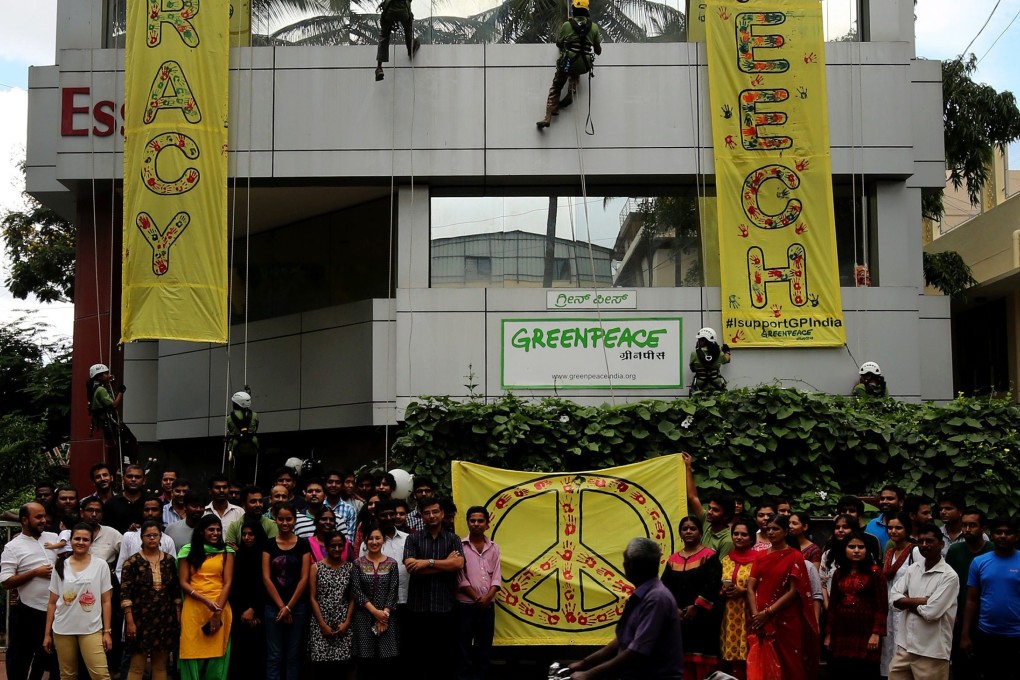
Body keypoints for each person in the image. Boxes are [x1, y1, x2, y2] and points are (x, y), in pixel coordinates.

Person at [568, 537, 683, 679]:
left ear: (631, 566)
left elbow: (637, 651)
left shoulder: (656, 599)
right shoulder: (643, 595)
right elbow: (622, 640)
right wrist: (584, 664)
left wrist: (589, 674)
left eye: (626, 562)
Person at [746, 515, 819, 680]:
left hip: (786, 619)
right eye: (768, 529)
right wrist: (756, 614)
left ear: (786, 532)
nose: (771, 532)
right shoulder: (760, 556)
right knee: (764, 664)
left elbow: (794, 591)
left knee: (790, 663)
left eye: (775, 529)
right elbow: (751, 588)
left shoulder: (795, 556)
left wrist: (768, 612)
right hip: (761, 618)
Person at [887, 523, 959, 680]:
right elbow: (892, 600)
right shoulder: (913, 569)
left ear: (941, 544)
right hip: (905, 647)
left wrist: (905, 601)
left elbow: (931, 613)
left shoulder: (949, 576)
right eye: (921, 541)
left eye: (929, 541)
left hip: (932, 652)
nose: (924, 545)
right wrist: (922, 601)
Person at [43, 522, 114, 680]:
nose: (81, 542)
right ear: (70, 540)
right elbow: (52, 602)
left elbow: (106, 601)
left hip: (91, 628)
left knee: (101, 675)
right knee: (67, 675)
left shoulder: (101, 565)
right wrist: (47, 634)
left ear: (91, 542)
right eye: (77, 539)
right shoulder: (60, 565)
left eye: (85, 539)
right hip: (62, 629)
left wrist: (107, 632)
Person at [1, 502, 60, 680]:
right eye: (38, 517)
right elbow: (6, 582)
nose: (44, 520)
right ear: (24, 520)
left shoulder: (53, 537)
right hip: (28, 612)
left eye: (44, 516)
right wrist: (35, 572)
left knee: (49, 659)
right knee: (20, 659)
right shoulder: (13, 547)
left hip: (56, 612)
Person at [402, 496, 465, 660]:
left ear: (442, 514)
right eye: (427, 513)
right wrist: (445, 564)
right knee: (419, 657)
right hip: (418, 607)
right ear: (422, 516)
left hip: (445, 606)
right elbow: (411, 568)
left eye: (435, 512)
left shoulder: (453, 539)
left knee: (444, 657)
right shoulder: (412, 538)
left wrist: (426, 562)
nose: (432, 516)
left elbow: (458, 565)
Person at [661, 515, 722, 679]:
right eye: (685, 529)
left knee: (703, 662)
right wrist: (674, 609)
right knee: (683, 660)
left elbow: (713, 584)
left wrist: (697, 606)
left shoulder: (709, 555)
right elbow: (665, 587)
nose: (688, 531)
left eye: (692, 528)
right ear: (680, 533)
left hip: (704, 618)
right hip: (679, 618)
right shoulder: (673, 560)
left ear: (700, 533)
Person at [960, 515, 1020, 675]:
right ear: (991, 535)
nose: (1003, 536)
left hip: (1017, 635)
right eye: (998, 532)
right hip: (987, 633)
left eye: (1008, 532)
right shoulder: (979, 562)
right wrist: (965, 635)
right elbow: (971, 600)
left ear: (1016, 536)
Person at [120, 520, 180, 680]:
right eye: (148, 535)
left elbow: (175, 592)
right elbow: (125, 594)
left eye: (155, 535)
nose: (152, 538)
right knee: (137, 667)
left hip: (165, 619)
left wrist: (178, 617)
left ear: (161, 537)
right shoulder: (131, 563)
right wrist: (130, 621)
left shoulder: (169, 561)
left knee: (160, 667)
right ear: (142, 538)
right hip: (139, 619)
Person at [824, 531, 888, 680]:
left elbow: (881, 606)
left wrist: (876, 633)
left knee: (865, 671)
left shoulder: (875, 573)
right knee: (842, 670)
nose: (857, 550)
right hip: (841, 632)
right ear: (844, 549)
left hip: (865, 632)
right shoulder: (839, 573)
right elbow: (832, 606)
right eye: (852, 547)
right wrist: (828, 634)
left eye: (861, 547)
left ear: (867, 550)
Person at [178, 514, 233, 680]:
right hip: (194, 608)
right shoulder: (187, 551)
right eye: (211, 529)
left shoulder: (226, 551)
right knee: (191, 652)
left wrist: (216, 612)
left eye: (218, 529)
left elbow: (228, 583)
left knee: (216, 656)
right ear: (201, 531)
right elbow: (183, 582)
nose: (215, 533)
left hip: (219, 606)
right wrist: (205, 601)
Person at [262, 502, 311, 680]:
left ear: (295, 520)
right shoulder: (268, 544)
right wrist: (281, 606)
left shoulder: (303, 545)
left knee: (293, 655)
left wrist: (289, 607)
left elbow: (304, 578)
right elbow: (266, 577)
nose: (285, 522)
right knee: (274, 655)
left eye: (288, 519)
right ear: (275, 520)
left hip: (297, 606)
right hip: (272, 606)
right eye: (281, 519)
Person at [535, 0, 602, 130]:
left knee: (556, 85)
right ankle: (571, 92)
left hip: (568, 61)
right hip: (584, 64)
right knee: (575, 71)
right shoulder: (594, 27)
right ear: (587, 10)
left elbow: (559, 43)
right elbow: (598, 51)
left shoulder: (567, 25)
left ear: (573, 9)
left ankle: (548, 116)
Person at [944, 507, 991, 677]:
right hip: (958, 618)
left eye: (973, 525)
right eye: (964, 525)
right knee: (960, 667)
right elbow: (947, 584)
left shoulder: (992, 550)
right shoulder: (956, 551)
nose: (967, 530)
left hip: (986, 620)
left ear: (982, 528)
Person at [457, 506, 501, 680]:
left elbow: (497, 577)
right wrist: (476, 598)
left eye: (480, 521)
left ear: (487, 524)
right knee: (463, 647)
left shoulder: (494, 548)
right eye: (472, 520)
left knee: (484, 647)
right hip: (465, 606)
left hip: (487, 606)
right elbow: (460, 578)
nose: (476, 524)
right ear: (468, 523)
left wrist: (487, 598)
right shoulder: (459, 546)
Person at [352, 524, 400, 673]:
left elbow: (393, 590)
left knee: (386, 662)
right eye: (370, 538)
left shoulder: (392, 563)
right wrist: (375, 613)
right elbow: (357, 591)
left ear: (383, 540)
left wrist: (383, 616)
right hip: (363, 616)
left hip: (387, 617)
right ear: (365, 541)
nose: (374, 542)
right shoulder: (357, 564)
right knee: (366, 663)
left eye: (377, 538)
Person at [309, 531, 355, 676]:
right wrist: (322, 625)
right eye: (332, 546)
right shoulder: (316, 568)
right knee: (322, 669)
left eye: (340, 546)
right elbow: (312, 598)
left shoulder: (350, 568)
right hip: (320, 622)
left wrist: (347, 622)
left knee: (342, 668)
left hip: (343, 623)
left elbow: (352, 598)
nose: (336, 549)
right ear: (326, 547)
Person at [227, 519, 267, 680]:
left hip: (258, 614)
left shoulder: (264, 556)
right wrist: (241, 612)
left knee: (257, 657)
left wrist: (253, 610)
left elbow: (264, 585)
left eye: (251, 534)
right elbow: (234, 586)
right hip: (238, 614)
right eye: (244, 534)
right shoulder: (238, 556)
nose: (247, 538)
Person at [718, 518, 756, 680]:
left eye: (744, 534)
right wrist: (723, 592)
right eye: (736, 534)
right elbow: (717, 586)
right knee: (734, 662)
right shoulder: (725, 560)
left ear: (752, 538)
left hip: (750, 614)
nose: (739, 537)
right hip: (730, 615)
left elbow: (766, 587)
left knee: (752, 658)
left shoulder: (759, 560)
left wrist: (744, 591)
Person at [880, 512, 915, 676]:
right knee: (889, 643)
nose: (893, 531)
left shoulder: (915, 552)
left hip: (906, 606)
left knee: (903, 645)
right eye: (890, 528)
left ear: (907, 529)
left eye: (898, 528)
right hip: (889, 605)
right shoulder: (889, 553)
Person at [682, 452, 735, 558]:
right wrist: (688, 467)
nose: (709, 512)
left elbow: (720, 570)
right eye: (709, 508)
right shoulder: (706, 520)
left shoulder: (728, 541)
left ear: (726, 515)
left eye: (715, 510)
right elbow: (693, 498)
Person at [86, 363, 138, 464]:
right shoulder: (100, 390)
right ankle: (130, 465)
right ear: (99, 376)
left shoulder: (94, 387)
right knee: (130, 441)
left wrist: (109, 378)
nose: (108, 375)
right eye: (105, 374)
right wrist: (121, 392)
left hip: (105, 421)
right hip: (109, 421)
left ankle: (125, 464)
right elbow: (114, 405)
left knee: (121, 442)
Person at [115, 496, 177, 579]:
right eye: (147, 510)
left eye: (154, 510)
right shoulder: (129, 537)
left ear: (161, 512)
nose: (150, 513)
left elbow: (173, 570)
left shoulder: (168, 540)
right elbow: (120, 569)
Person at [374, 0, 419, 81]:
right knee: (408, 27)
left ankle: (379, 67)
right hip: (403, 10)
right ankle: (410, 48)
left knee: (384, 35)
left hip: (389, 10)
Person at [225, 391, 260, 484]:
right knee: (252, 471)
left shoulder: (229, 418)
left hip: (237, 446)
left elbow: (230, 428)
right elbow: (256, 427)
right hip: (252, 445)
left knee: (238, 471)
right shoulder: (255, 415)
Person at [104, 465, 146, 535]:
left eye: (137, 477)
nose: (133, 479)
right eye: (129, 476)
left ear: (144, 480)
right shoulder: (111, 504)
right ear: (123, 479)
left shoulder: (149, 503)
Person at [689, 327, 731, 395]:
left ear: (703, 341)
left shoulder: (694, 354)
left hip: (700, 386)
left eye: (699, 339)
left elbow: (693, 369)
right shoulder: (720, 353)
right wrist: (727, 352)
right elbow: (727, 360)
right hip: (716, 385)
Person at [865, 484, 905, 548]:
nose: (885, 501)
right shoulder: (871, 525)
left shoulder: (908, 524)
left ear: (901, 502)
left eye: (890, 498)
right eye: (882, 499)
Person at [324, 469, 359, 538]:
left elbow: (349, 539)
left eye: (337, 482)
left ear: (342, 485)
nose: (333, 485)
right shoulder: (319, 506)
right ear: (325, 484)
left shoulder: (350, 510)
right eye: (330, 482)